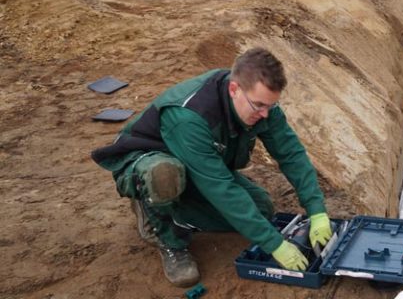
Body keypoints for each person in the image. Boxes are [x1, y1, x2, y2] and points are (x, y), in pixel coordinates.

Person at [92, 48, 332, 287]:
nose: (265, 114)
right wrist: (275, 244)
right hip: (147, 163)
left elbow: (291, 153)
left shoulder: (261, 105)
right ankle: (164, 232)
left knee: (261, 211)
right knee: (163, 174)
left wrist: (317, 210)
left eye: (270, 105)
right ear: (234, 89)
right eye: (258, 106)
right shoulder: (190, 116)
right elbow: (220, 188)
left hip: (197, 166)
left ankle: (177, 213)